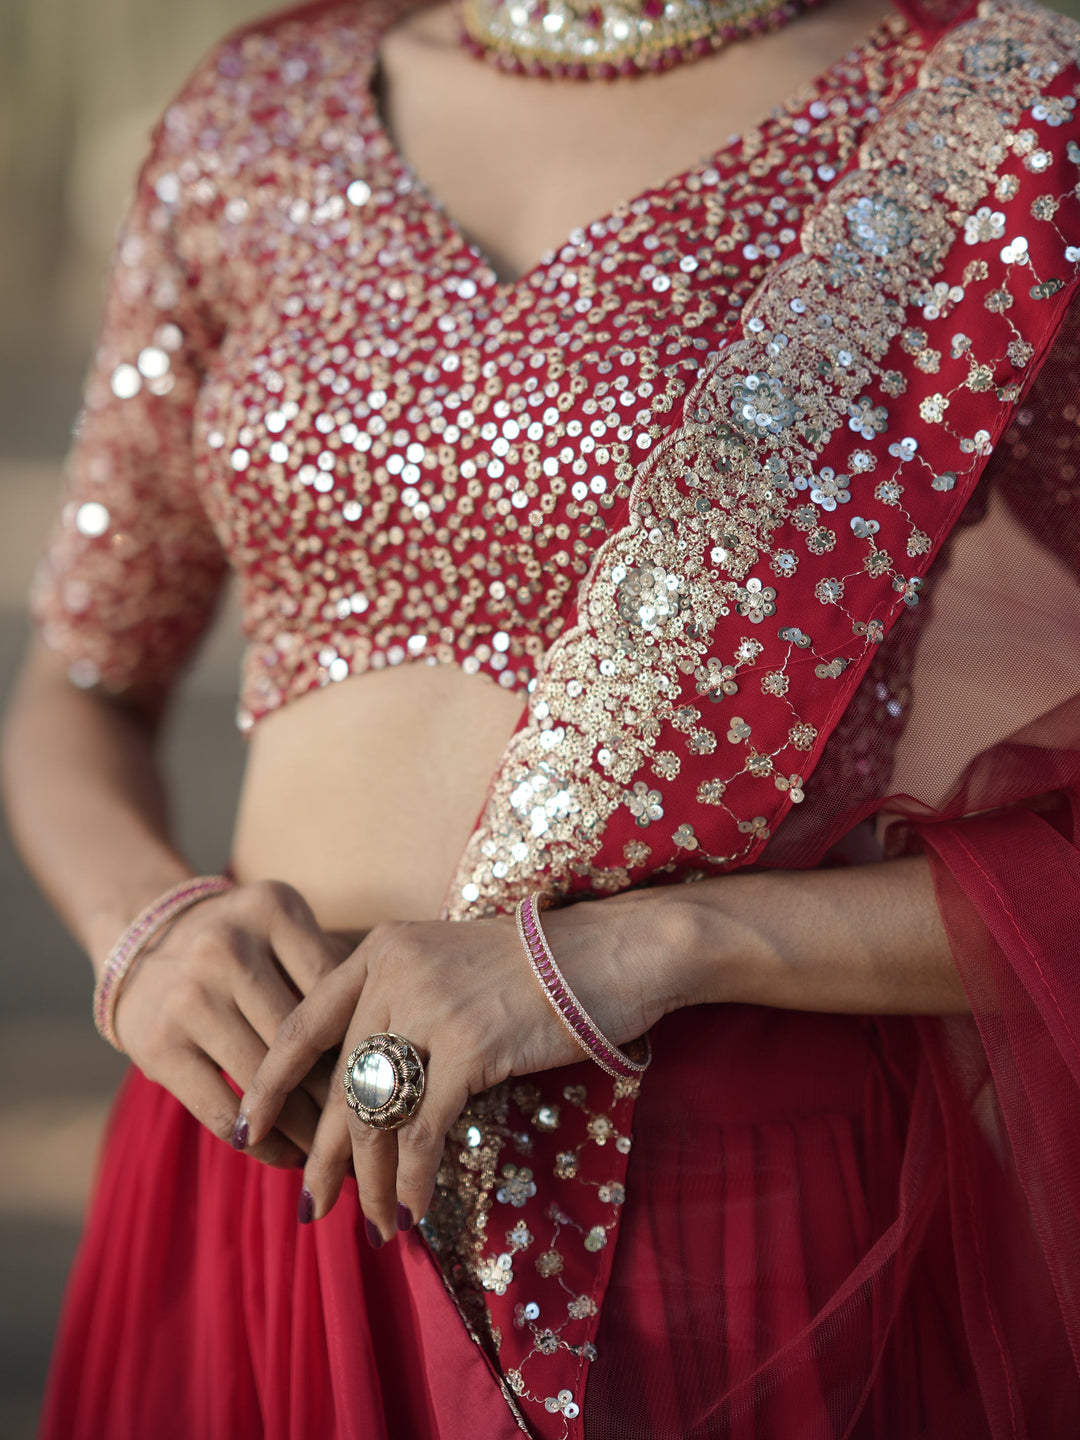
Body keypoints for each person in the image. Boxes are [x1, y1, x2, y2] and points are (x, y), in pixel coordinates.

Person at [3, 0, 1080, 1432]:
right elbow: (85, 678)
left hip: (707, 1206)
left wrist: (646, 945)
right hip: (266, 1168)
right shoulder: (255, 114)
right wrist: (145, 931)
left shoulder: (991, 117)